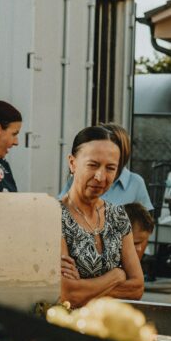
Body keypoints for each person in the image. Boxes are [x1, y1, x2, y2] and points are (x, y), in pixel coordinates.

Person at [59, 126, 144, 307]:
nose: (101, 177)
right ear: (72, 163)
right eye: (93, 165)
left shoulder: (118, 216)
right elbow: (67, 293)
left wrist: (84, 289)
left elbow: (137, 287)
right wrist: (116, 276)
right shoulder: (54, 216)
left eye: (110, 168)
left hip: (108, 325)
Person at [59, 123, 153, 210]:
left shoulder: (135, 183)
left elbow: (145, 223)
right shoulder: (77, 178)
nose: (100, 177)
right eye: (92, 165)